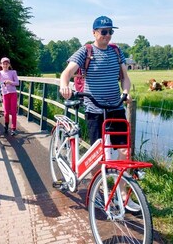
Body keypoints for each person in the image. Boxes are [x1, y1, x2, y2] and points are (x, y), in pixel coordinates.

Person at [59, 15, 139, 211]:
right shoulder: (85, 51)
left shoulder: (116, 51)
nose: (107, 35)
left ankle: (121, 193)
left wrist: (126, 92)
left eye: (111, 31)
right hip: (94, 109)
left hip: (116, 107)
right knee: (98, 154)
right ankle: (100, 188)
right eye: (104, 32)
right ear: (94, 33)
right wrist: (64, 86)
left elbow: (125, 78)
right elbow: (67, 73)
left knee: (124, 151)